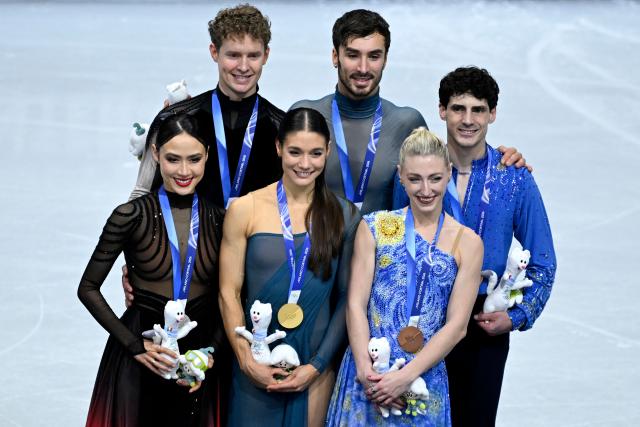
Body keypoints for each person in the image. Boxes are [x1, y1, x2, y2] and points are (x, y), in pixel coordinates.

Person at [123, 4, 284, 306]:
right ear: (214, 52)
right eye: (233, 54)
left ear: (267, 55)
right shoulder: (175, 120)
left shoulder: (280, 128)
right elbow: (141, 195)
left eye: (253, 55)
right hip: (184, 272)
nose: (243, 66)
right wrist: (135, 267)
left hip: (252, 277)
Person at [292, 9, 525, 214]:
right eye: (353, 55)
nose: (363, 68)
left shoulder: (407, 123)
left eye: (374, 56)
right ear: (336, 56)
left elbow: (445, 171)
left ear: (385, 59)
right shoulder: (305, 116)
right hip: (315, 260)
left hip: (382, 262)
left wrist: (501, 160)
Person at [326, 128, 483, 426]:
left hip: (422, 380)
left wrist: (405, 377)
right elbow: (356, 304)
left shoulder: (468, 243)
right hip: (368, 375)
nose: (426, 190)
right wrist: (365, 371)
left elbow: (457, 326)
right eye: (415, 179)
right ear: (400, 176)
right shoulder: (373, 227)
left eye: (435, 178)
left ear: (448, 173)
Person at [78, 113, 226, 426]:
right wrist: (134, 346)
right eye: (173, 159)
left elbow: (229, 295)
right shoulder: (130, 216)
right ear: (156, 153)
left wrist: (210, 352)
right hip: (140, 354)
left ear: (208, 157)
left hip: (196, 357)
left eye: (194, 159)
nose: (184, 171)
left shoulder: (221, 219)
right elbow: (88, 288)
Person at [218, 108, 360, 427]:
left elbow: (346, 299)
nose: (305, 164)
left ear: (327, 152)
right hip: (254, 364)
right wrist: (245, 359)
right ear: (279, 147)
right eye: (295, 152)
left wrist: (317, 365)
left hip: (314, 371)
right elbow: (229, 292)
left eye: (315, 153)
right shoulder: (245, 209)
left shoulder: (345, 216)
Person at [438, 67, 557, 427]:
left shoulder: (513, 177)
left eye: (478, 109)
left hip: (481, 323)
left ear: (492, 114)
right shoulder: (422, 170)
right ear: (442, 110)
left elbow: (543, 259)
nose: (468, 119)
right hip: (426, 316)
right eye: (458, 108)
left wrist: (518, 316)